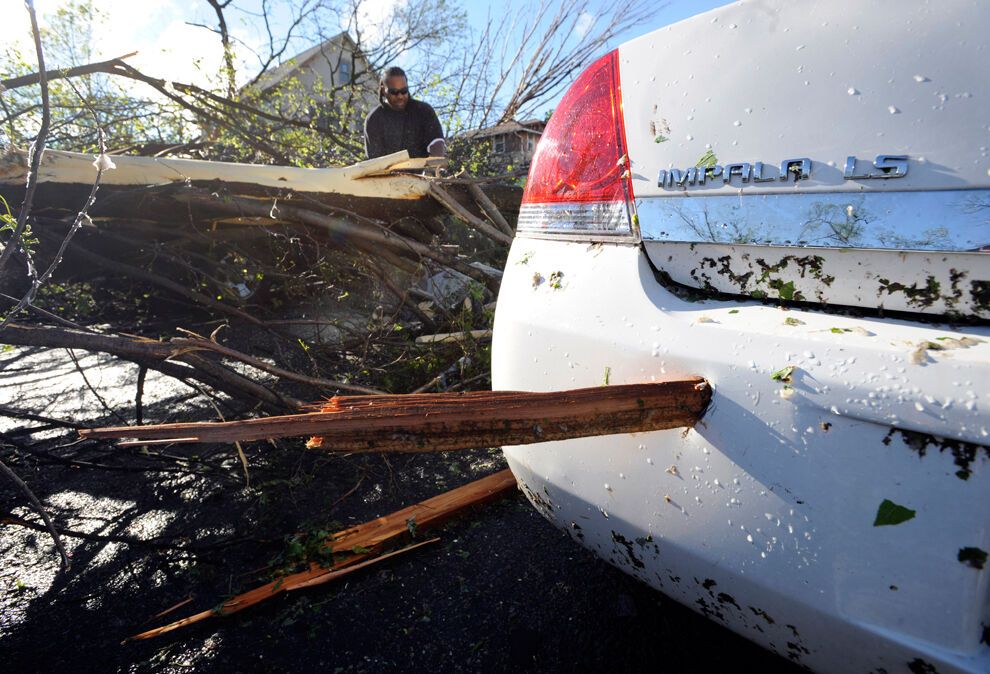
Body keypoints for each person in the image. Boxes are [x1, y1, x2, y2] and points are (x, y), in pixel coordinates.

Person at [364, 67, 445, 160]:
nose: (400, 96)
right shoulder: (373, 120)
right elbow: (375, 161)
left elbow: (437, 143)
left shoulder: (423, 111)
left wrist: (434, 165)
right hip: (388, 173)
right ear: (383, 90)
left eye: (404, 91)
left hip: (424, 172)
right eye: (394, 92)